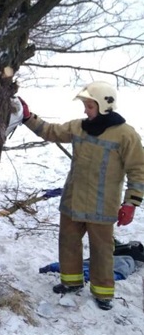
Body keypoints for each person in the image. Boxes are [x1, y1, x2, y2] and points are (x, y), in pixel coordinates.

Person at [19, 81, 144, 311]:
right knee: (68, 244)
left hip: (102, 206)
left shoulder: (126, 135)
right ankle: (71, 282)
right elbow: (50, 131)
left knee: (102, 251)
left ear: (104, 106)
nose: (85, 110)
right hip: (73, 201)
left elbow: (138, 169)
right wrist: (28, 117)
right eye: (85, 105)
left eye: (89, 106)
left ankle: (103, 293)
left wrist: (131, 202)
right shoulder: (78, 127)